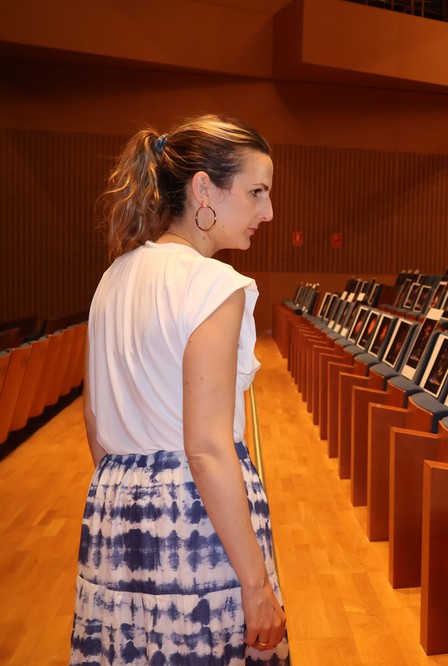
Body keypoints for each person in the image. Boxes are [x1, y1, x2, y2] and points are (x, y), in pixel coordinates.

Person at [71, 115, 289, 664]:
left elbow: (96, 425)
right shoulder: (214, 283)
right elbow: (207, 448)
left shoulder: (113, 277)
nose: (267, 212)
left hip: (114, 515)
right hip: (195, 520)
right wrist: (257, 587)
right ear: (202, 190)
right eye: (256, 192)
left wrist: (134, 494)